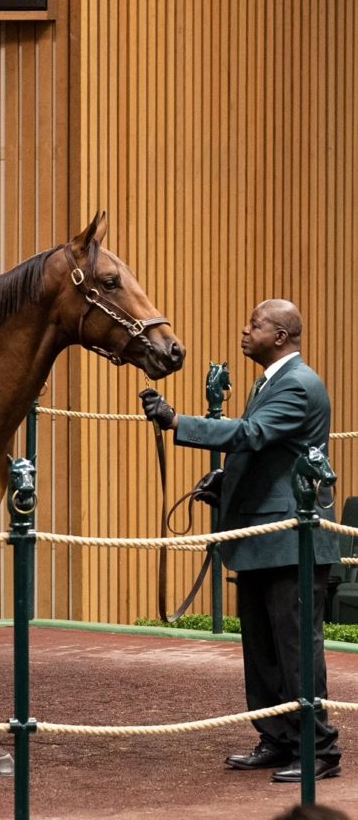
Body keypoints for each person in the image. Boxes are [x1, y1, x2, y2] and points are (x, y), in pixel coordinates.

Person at [141, 299, 341, 783]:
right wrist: (224, 485)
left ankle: (318, 751)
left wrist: (176, 422)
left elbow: (252, 433)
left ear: (281, 336)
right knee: (263, 650)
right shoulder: (270, 381)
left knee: (295, 651)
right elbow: (270, 454)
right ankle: (277, 739)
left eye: (255, 324)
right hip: (264, 538)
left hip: (290, 541)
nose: (244, 330)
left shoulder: (297, 384)